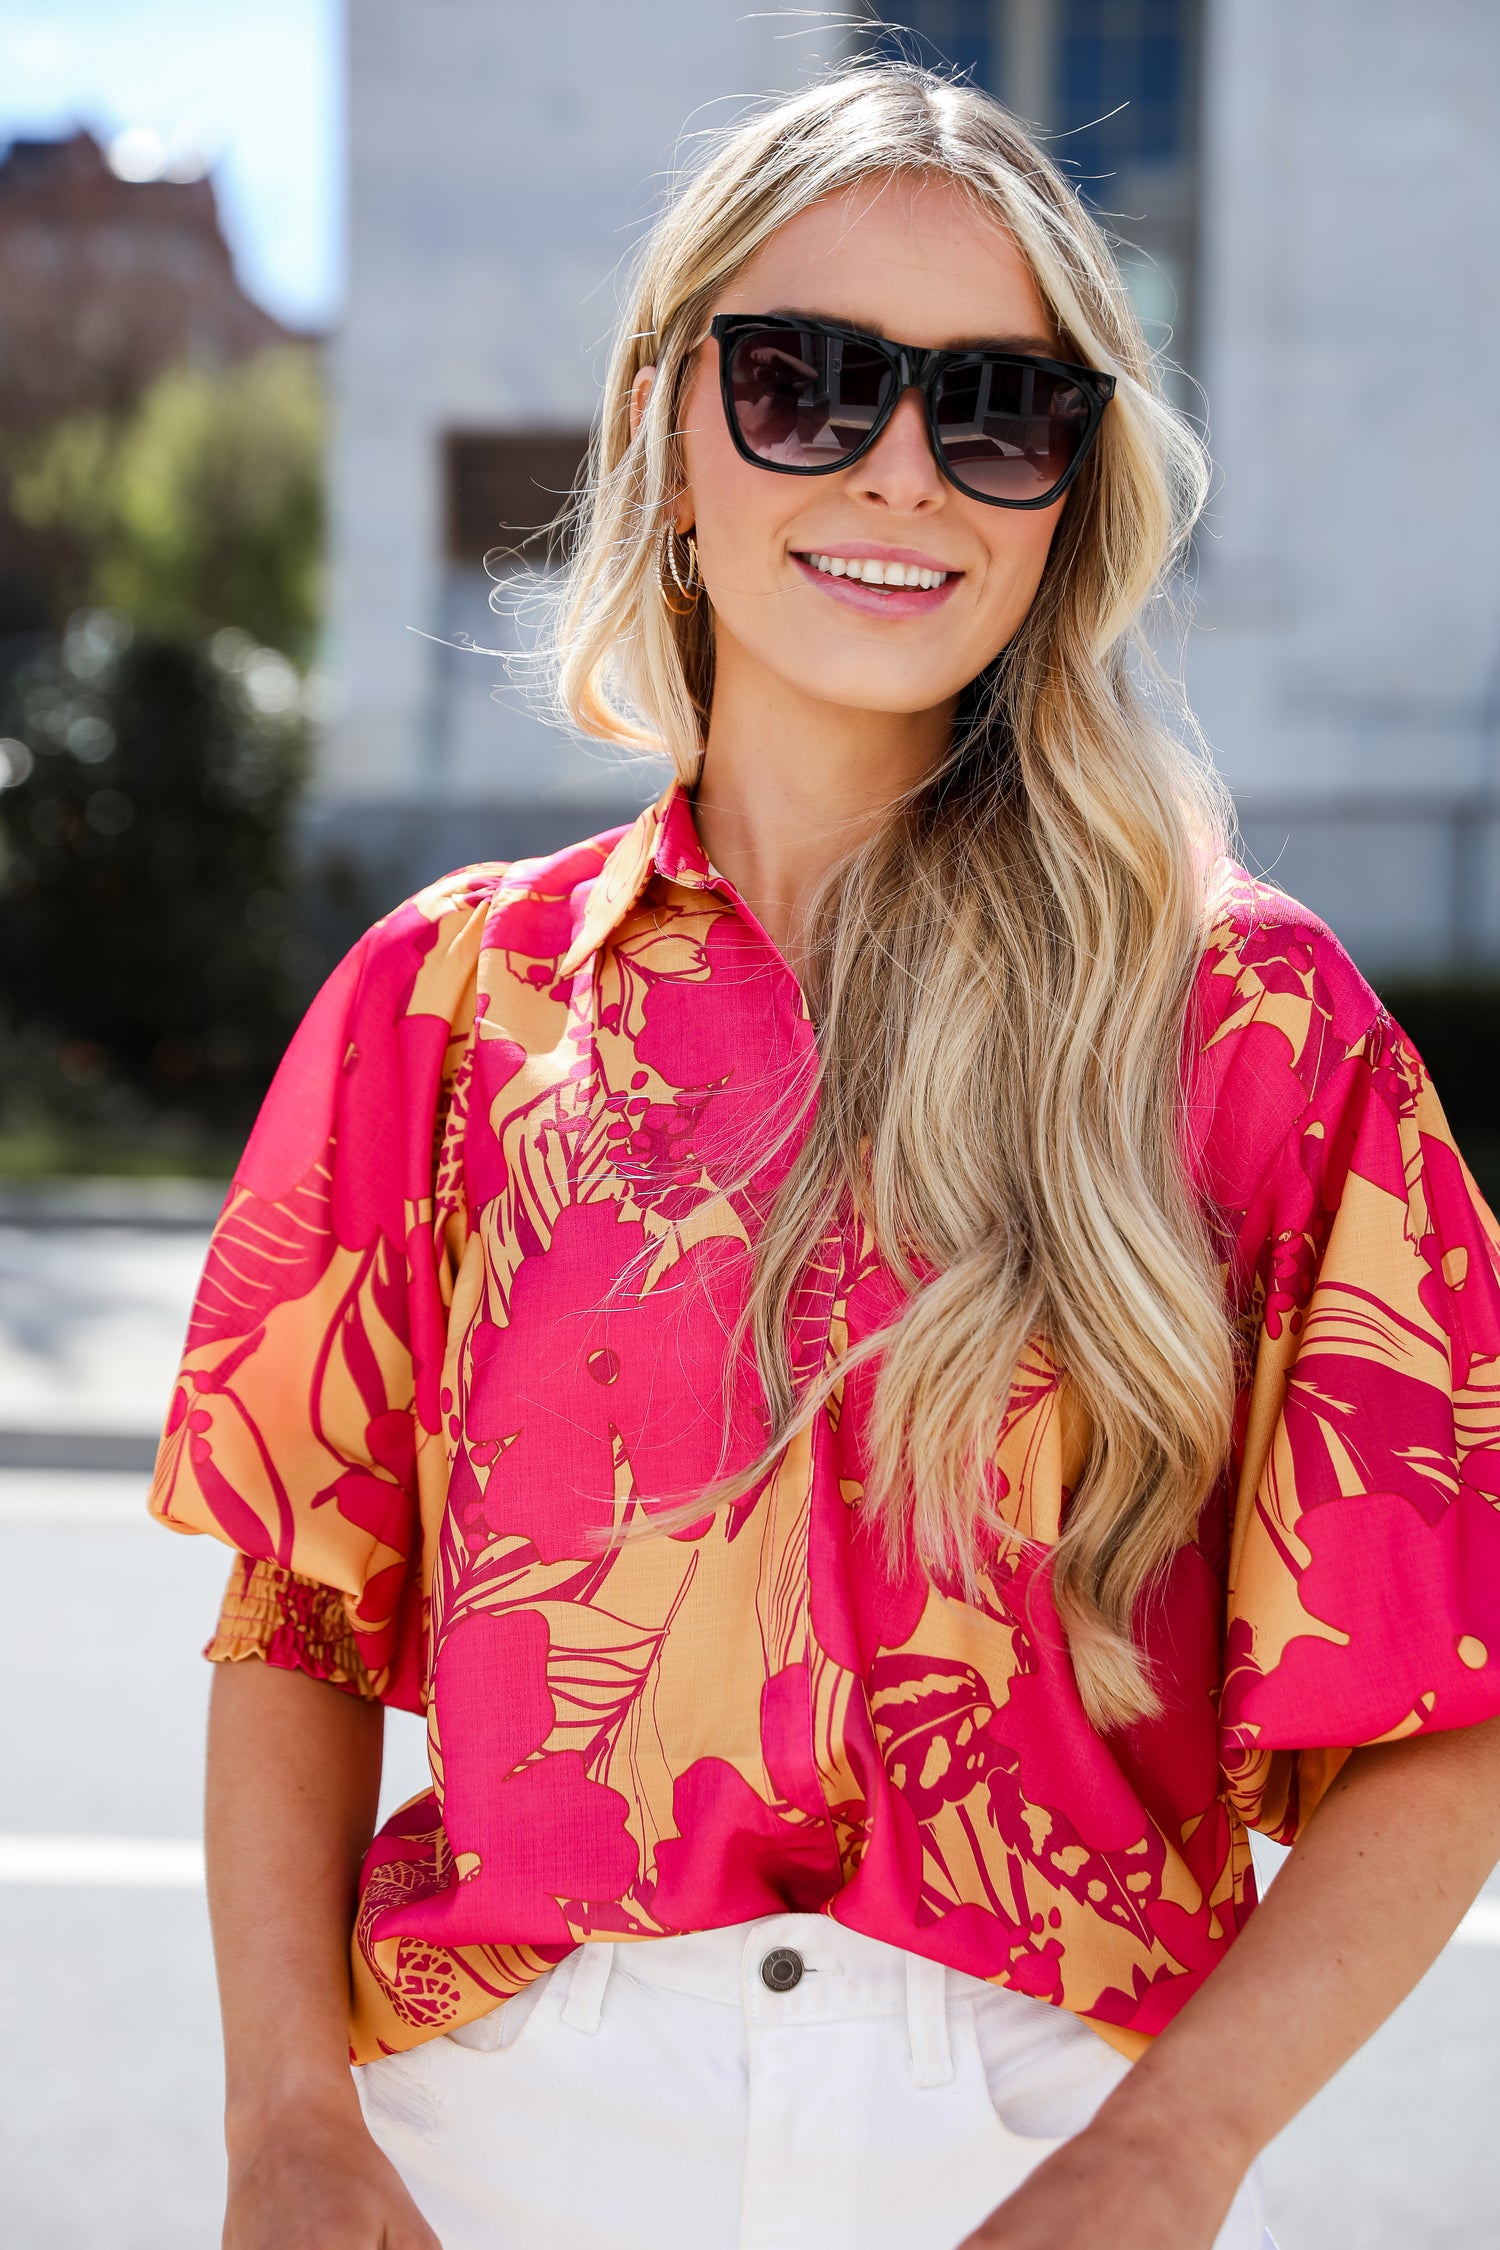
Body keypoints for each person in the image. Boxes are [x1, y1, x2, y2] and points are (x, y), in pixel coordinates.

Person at [149, 64, 1500, 2250]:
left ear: (1072, 487)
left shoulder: (1249, 1026)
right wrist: (282, 2122)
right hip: (497, 2146)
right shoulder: (445, 1006)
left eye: (998, 411)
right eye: (805, 382)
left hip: (1034, 2163)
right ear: (667, 429)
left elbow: (1445, 1702)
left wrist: (1173, 2155)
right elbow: (297, 1618)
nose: (900, 471)